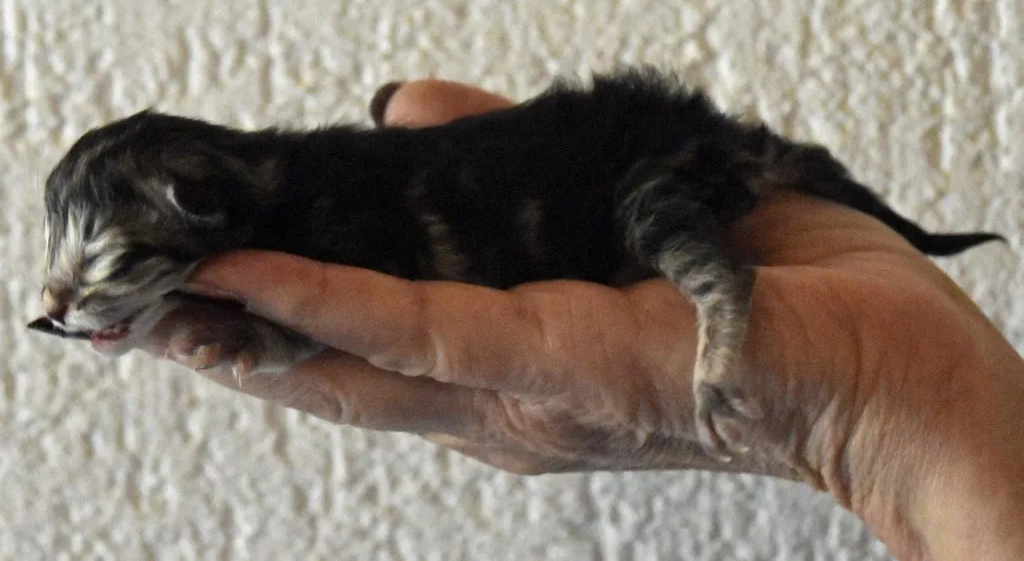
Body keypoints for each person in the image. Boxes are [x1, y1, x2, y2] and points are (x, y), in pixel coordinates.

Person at [151, 79, 1024, 561]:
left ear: (195, 198)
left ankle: (722, 315)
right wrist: (893, 405)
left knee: (655, 220)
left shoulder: (320, 202)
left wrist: (875, 396)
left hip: (643, 159)